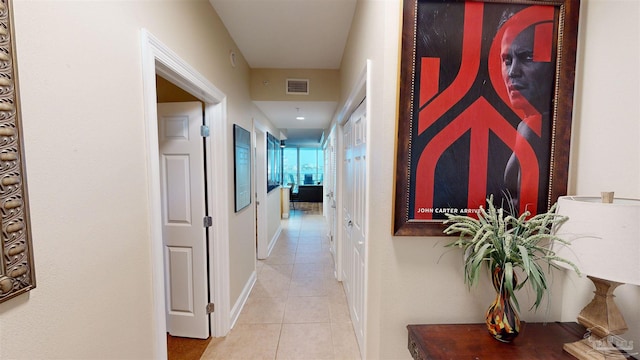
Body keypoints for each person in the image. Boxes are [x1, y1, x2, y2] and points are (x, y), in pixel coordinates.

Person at [500, 10, 554, 214]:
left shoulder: (535, 128)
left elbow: (527, 219)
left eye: (527, 57)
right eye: (507, 60)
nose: (513, 71)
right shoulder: (532, 124)